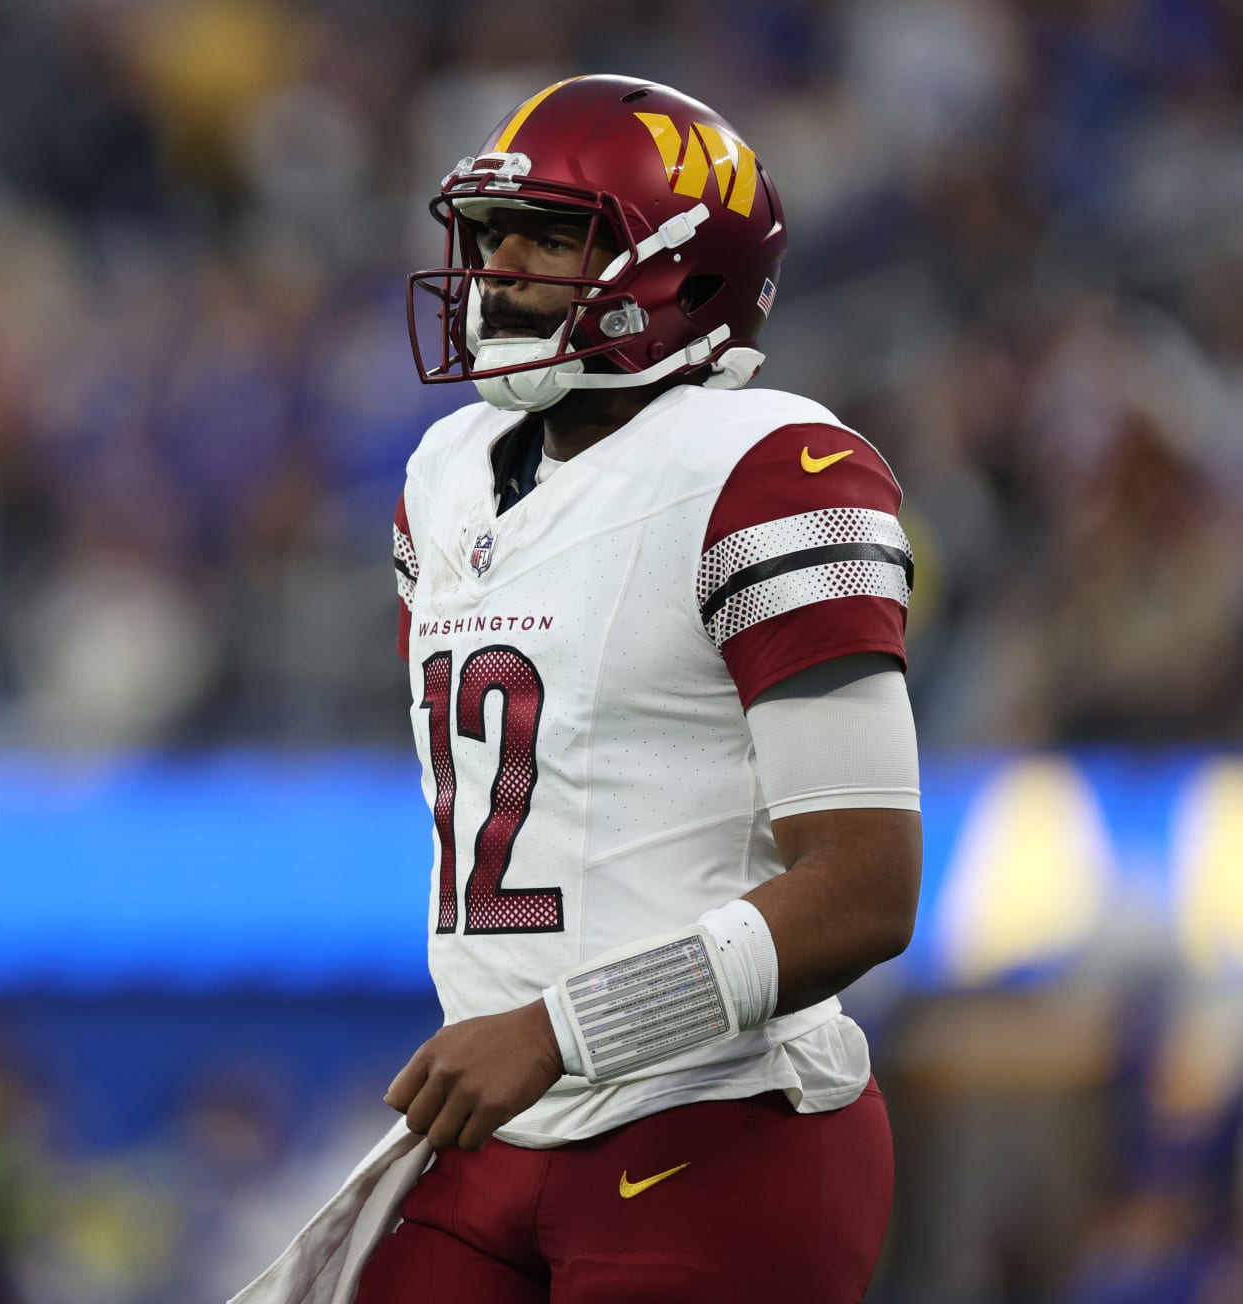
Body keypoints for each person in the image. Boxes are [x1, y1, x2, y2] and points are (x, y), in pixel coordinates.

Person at [233, 74, 921, 1304]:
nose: (499, 269)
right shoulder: (445, 475)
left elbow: (866, 889)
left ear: (680, 267)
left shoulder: (770, 468)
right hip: (499, 1129)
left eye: (553, 235)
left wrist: (557, 1030)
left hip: (718, 1122)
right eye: (492, 235)